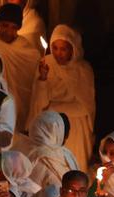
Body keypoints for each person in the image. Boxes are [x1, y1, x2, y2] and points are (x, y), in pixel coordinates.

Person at [28, 26, 94, 168]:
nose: (58, 53)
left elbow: (84, 107)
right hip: (51, 126)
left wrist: (53, 107)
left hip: (75, 126)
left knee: (74, 166)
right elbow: (39, 103)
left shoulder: (83, 69)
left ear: (73, 49)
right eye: (55, 48)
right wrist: (43, 79)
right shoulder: (46, 64)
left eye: (64, 49)